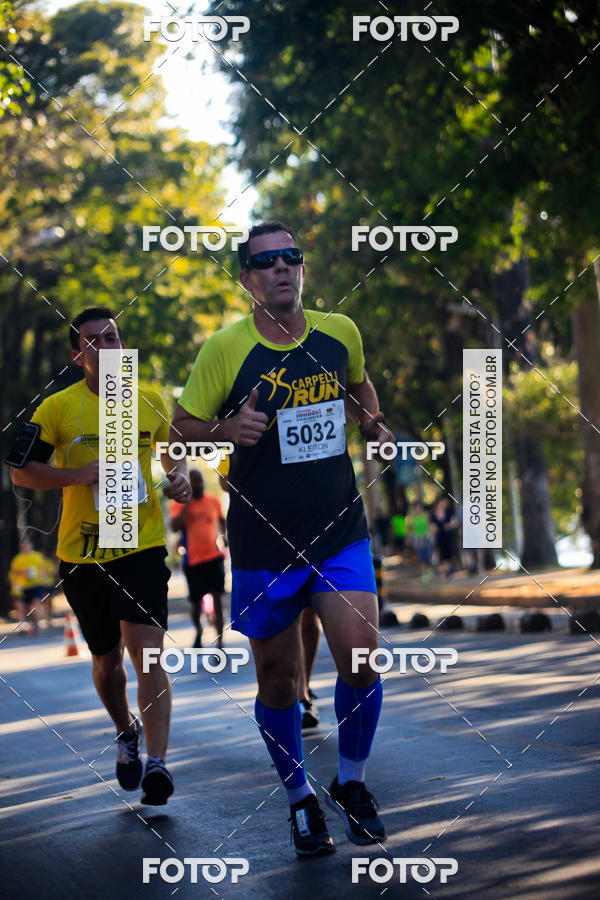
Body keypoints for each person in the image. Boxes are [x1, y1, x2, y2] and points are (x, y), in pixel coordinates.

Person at [171, 221, 389, 856]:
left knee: (361, 656)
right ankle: (299, 800)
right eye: (265, 263)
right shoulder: (225, 349)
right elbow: (181, 427)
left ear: (303, 268)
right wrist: (225, 430)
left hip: (338, 530)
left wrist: (372, 421)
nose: (281, 268)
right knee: (277, 680)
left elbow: (359, 385)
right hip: (264, 540)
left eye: (291, 257)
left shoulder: (339, 332)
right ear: (247, 280)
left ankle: (351, 783)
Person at [10, 307, 190, 805]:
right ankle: (125, 730)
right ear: (78, 355)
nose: (104, 346)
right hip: (84, 554)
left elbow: (174, 466)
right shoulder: (57, 408)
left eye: (112, 337)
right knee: (107, 663)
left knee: (147, 654)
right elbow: (21, 473)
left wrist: (179, 482)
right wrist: (77, 475)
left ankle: (157, 763)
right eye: (93, 341)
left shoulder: (149, 400)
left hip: (141, 543)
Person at [170, 469, 227, 649]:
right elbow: (174, 526)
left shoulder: (213, 501)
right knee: (195, 605)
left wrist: (224, 536)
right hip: (193, 561)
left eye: (200, 480)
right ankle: (199, 629)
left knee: (218, 600)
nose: (198, 484)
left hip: (214, 557)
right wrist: (187, 502)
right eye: (194, 481)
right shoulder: (179, 503)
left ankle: (220, 642)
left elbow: (222, 521)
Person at [8, 538, 46, 634]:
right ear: (21, 548)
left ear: (31, 546)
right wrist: (23, 572)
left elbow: (43, 569)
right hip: (23, 586)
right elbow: (14, 572)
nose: (26, 548)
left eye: (28, 546)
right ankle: (23, 626)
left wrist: (43, 577)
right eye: (24, 546)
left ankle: (37, 625)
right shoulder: (18, 559)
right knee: (22, 608)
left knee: (35, 603)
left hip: (36, 584)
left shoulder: (37, 556)